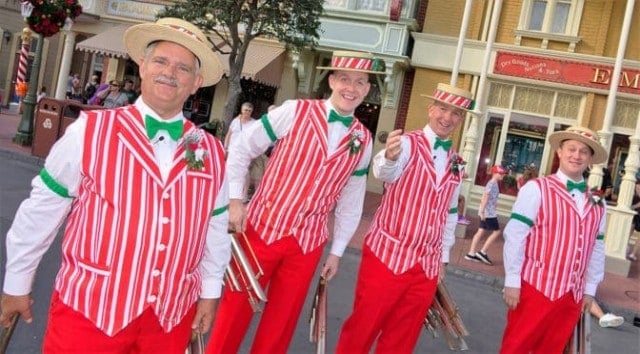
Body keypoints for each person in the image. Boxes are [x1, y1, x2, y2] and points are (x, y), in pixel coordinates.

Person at [0, 17, 230, 352]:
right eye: (161, 61)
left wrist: (210, 291)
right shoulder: (89, 131)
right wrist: (17, 281)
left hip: (169, 319)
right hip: (90, 312)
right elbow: (43, 208)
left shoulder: (210, 150)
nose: (170, 72)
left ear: (196, 83)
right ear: (142, 66)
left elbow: (215, 224)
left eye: (182, 68)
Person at [207, 50, 381, 354]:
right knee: (234, 312)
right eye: (344, 79)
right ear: (331, 80)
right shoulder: (295, 110)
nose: (351, 87)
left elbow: (351, 203)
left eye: (360, 82)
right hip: (260, 229)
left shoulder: (363, 141)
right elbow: (242, 148)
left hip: (308, 243)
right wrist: (235, 200)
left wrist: (337, 251)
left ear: (367, 89)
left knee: (282, 324)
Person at [336, 83, 475, 353]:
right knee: (363, 327)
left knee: (403, 337)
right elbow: (385, 172)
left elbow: (449, 212)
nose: (447, 118)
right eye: (443, 109)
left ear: (461, 119)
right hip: (387, 254)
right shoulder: (408, 144)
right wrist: (389, 157)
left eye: (456, 113)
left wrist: (442, 258)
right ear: (431, 108)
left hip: (426, 265)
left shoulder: (456, 162)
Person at [500, 125, 608, 354]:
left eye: (583, 151)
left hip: (571, 296)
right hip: (535, 288)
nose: (576, 155)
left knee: (552, 349)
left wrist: (589, 289)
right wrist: (512, 280)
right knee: (516, 347)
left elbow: (596, 247)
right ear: (559, 152)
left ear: (590, 159)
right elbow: (515, 235)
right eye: (571, 148)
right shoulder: (536, 189)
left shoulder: (598, 202)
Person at [465, 164, 508, 266]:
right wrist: (483, 212)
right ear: (495, 173)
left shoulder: (494, 183)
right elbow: (485, 197)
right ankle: (482, 252)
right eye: (501, 173)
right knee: (497, 232)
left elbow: (489, 197)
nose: (502, 175)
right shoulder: (492, 183)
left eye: (503, 174)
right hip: (489, 213)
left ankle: (471, 253)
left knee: (481, 230)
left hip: (487, 211)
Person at [223, 102, 265, 201]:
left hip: (246, 152)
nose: (247, 112)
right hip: (232, 150)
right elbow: (229, 134)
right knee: (229, 171)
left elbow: (257, 138)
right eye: (246, 110)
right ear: (242, 110)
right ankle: (227, 193)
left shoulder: (254, 123)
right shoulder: (235, 121)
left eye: (249, 111)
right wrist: (225, 148)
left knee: (245, 173)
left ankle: (244, 195)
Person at [627, 178, 640, 261]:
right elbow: (629, 207)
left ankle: (633, 254)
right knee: (629, 232)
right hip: (635, 214)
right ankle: (625, 249)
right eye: (638, 188)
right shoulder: (632, 196)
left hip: (636, 213)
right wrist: (637, 205)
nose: (638, 190)